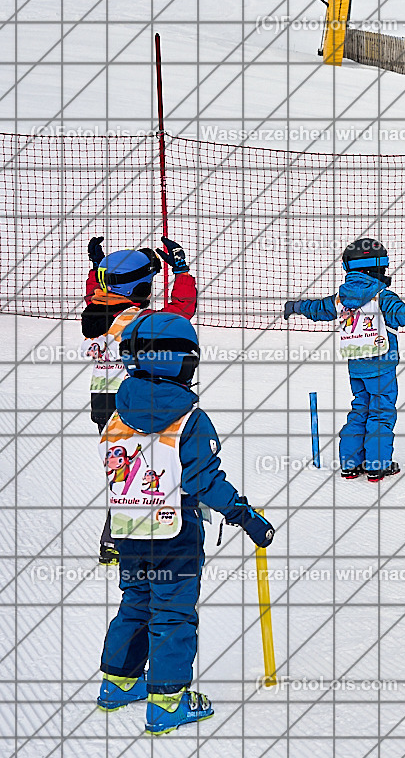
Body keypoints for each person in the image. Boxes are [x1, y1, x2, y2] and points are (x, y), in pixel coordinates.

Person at [95, 312, 274, 735]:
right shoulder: (190, 418)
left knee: (136, 603)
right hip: (175, 534)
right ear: (179, 362)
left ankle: (119, 683)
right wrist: (243, 514)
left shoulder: (116, 416)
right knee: (172, 613)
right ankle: (168, 702)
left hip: (129, 529)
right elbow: (203, 480)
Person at [283, 238, 405, 481]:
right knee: (381, 412)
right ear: (378, 267)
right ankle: (377, 465)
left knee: (360, 409)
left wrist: (297, 307)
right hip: (382, 366)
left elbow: (318, 308)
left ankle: (350, 463)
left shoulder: (341, 298)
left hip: (356, 367)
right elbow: (399, 313)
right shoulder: (382, 296)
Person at [81, 235, 197, 564]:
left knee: (122, 469)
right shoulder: (140, 321)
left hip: (102, 403)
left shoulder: (94, 313)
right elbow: (180, 312)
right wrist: (181, 272)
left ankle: (116, 540)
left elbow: (97, 292)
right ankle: (132, 539)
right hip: (135, 399)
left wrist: (98, 270)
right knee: (146, 469)